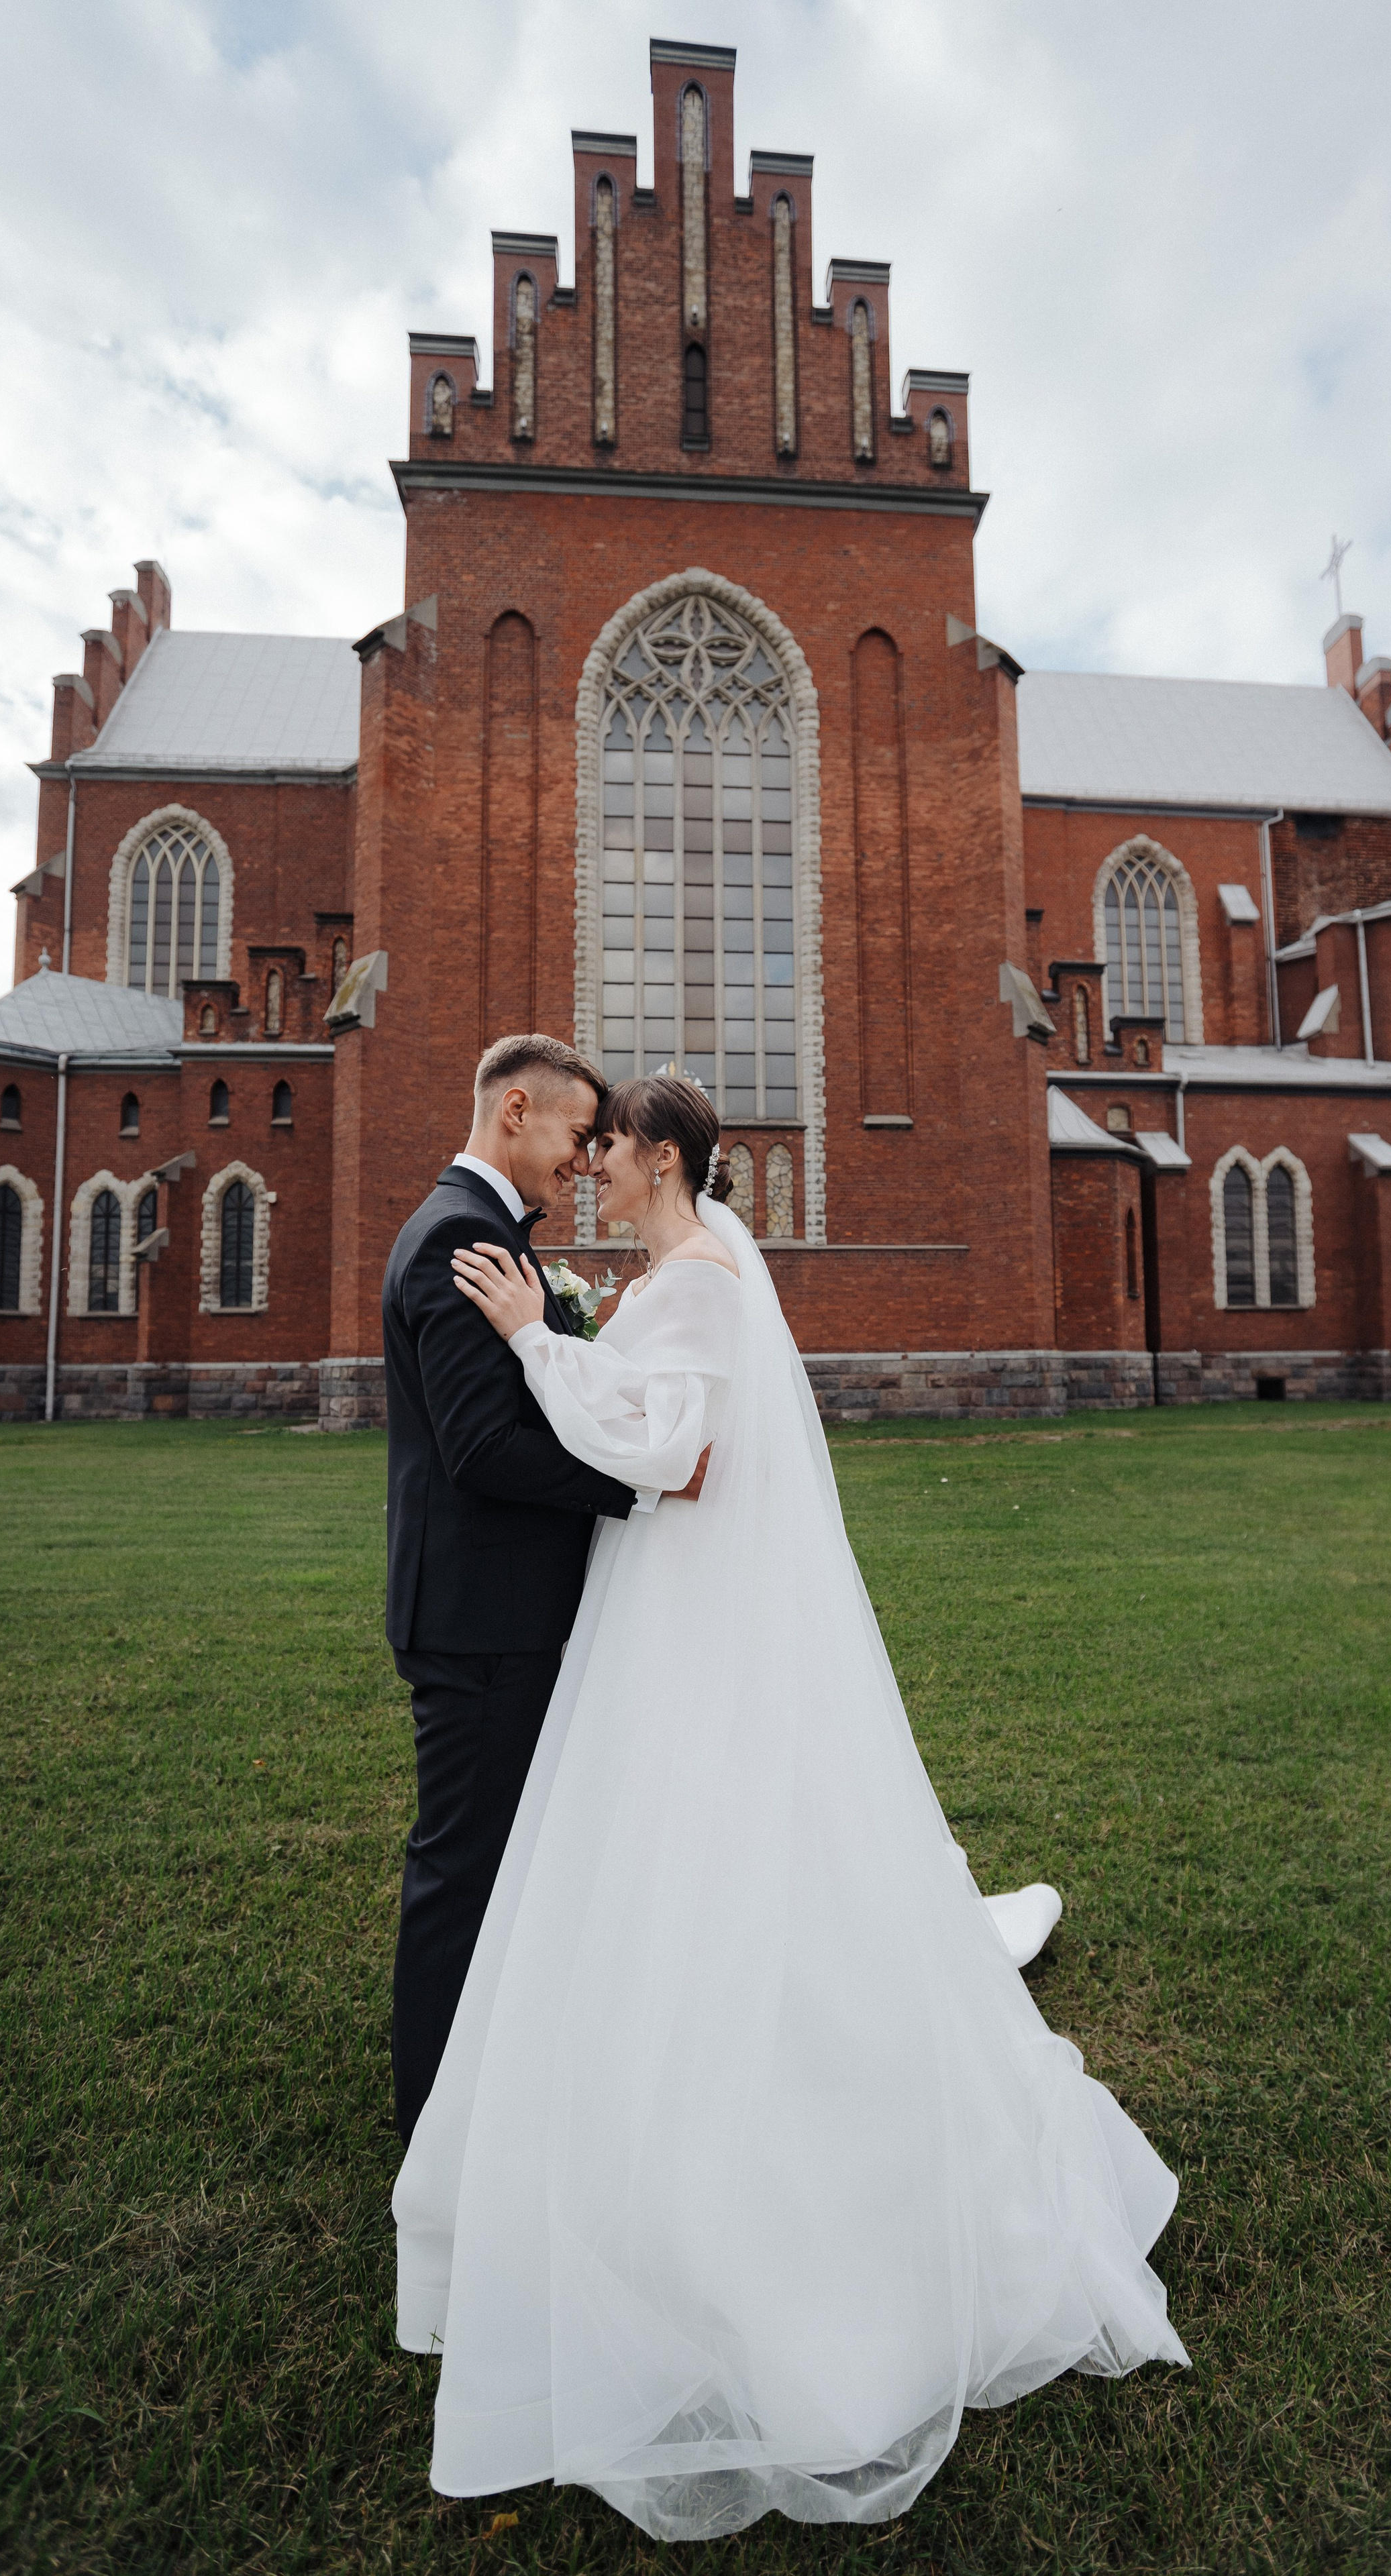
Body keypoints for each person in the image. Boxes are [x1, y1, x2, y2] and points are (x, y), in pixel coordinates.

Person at [393, 1073, 1188, 2541]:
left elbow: (662, 1450)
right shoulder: (671, 1279)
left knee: (710, 1821)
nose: (594, 1164)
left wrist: (535, 1340)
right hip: (652, 1589)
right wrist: (564, 1337)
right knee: (657, 1835)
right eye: (588, 1143)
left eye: (612, 1148)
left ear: (665, 1161)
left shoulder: (699, 1279)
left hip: (688, 1599)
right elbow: (649, 1423)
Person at [379, 1034, 705, 2147]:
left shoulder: (483, 1231)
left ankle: (492, 2085)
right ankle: (433, 2126)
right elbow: (481, 1448)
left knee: (498, 1860)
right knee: (462, 1870)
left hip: (495, 1608)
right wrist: (643, 1481)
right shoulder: (459, 1238)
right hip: (481, 1618)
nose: (582, 1159)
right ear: (516, 1110)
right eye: (575, 1134)